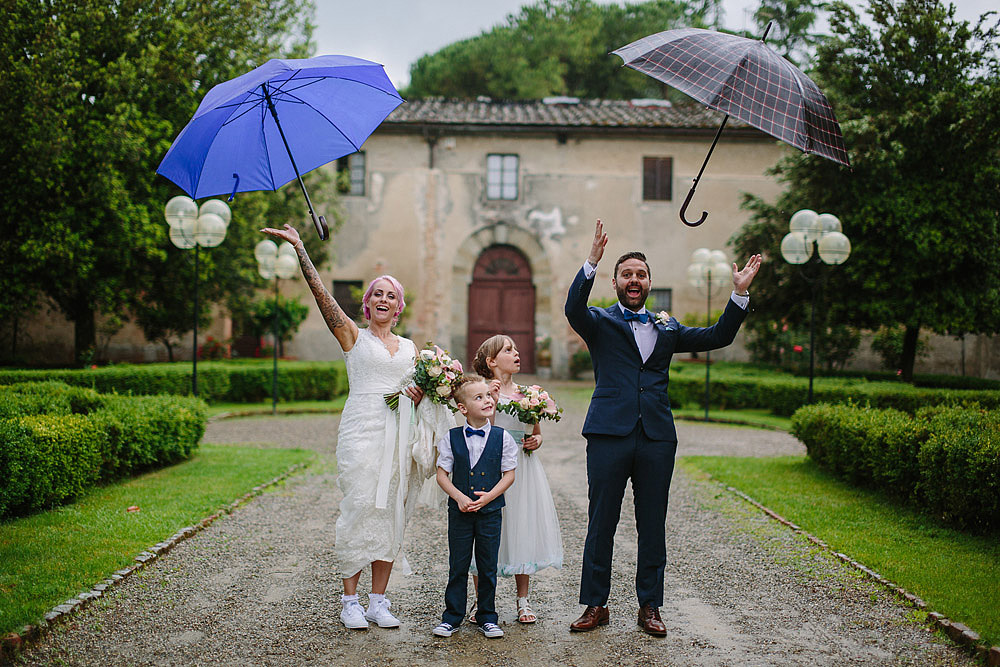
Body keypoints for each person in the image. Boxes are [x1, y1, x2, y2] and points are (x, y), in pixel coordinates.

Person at [565, 219, 761, 636]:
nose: (633, 280)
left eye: (640, 275)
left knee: (652, 524)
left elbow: (718, 336)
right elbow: (572, 310)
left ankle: (650, 607)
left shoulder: (667, 326)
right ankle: (595, 604)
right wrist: (592, 262)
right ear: (615, 281)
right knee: (602, 522)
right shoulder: (598, 322)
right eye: (627, 275)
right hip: (607, 434)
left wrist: (739, 293)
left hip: (656, 437)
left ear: (649, 282)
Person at [260, 223, 429, 631]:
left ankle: (378, 602)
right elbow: (322, 297)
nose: (384, 299)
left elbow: (423, 387)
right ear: (367, 304)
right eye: (378, 294)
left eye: (392, 295)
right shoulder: (353, 336)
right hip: (362, 429)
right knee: (358, 508)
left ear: (400, 307)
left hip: (399, 434)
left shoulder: (410, 348)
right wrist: (301, 248)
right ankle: (349, 600)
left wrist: (420, 392)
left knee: (392, 510)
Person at [467, 334, 563, 625]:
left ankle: (523, 599)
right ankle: (483, 602)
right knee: (485, 532)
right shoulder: (481, 391)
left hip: (523, 467)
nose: (517, 353)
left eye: (516, 349)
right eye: (509, 350)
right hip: (492, 467)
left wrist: (538, 439)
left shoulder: (529, 393)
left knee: (521, 526)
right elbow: (481, 432)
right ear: (492, 361)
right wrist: (492, 401)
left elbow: (535, 430)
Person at [432, 374, 518, 639]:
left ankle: (487, 616)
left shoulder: (503, 438)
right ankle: (452, 617)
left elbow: (509, 475)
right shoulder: (451, 437)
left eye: (488, 395)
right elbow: (441, 474)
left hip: (490, 512)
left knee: (487, 565)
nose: (487, 400)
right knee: (458, 564)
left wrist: (489, 497)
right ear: (463, 408)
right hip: (459, 513)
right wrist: (459, 497)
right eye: (478, 397)